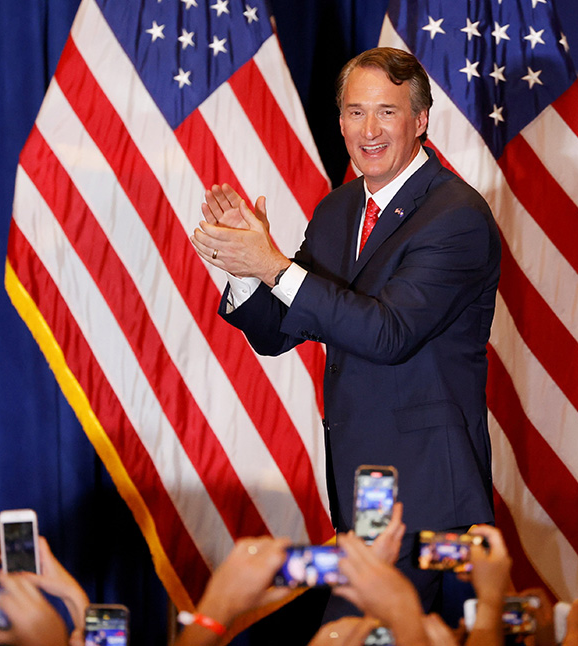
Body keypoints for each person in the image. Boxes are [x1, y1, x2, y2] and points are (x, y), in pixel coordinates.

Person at [191, 47, 501, 609]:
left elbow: (388, 333)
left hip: (431, 507)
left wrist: (273, 266)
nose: (369, 129)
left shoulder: (456, 216)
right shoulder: (338, 211)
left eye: (387, 111)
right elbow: (277, 331)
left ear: (421, 121)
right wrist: (245, 270)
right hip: (363, 503)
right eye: (355, 112)